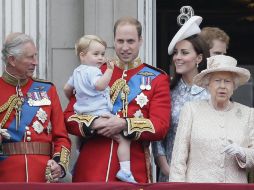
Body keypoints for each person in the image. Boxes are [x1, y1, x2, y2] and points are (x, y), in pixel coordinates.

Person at [64, 16, 170, 183]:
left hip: (131, 170)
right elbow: (69, 117)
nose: (125, 47)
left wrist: (124, 124)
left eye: (131, 41)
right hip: (92, 167)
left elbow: (160, 125)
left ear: (141, 41)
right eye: (120, 41)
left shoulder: (157, 78)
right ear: (114, 40)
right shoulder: (95, 70)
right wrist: (95, 123)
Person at [169, 54, 254, 183]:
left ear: (234, 86)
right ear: (208, 84)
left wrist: (242, 153)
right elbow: (178, 160)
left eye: (227, 81)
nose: (222, 86)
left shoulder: (248, 114)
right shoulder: (191, 110)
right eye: (217, 80)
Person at [63, 35, 136, 183]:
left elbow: (66, 88)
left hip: (83, 113)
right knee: (123, 139)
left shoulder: (77, 71)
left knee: (82, 139)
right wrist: (109, 71)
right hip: (99, 112)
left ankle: (78, 155)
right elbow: (100, 85)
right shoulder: (94, 71)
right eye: (96, 54)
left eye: (102, 54)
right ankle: (126, 171)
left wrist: (77, 97)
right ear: (82, 55)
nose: (100, 58)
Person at [0, 32, 71, 182]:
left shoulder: (47, 89)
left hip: (43, 176)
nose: (35, 62)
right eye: (30, 57)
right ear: (12, 60)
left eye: (35, 56)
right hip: (6, 176)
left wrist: (59, 164)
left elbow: (61, 137)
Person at [152, 12, 210, 182]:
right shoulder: (167, 92)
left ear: (199, 58)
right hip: (170, 175)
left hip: (204, 176)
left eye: (184, 53)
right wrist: (165, 168)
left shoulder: (211, 93)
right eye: (176, 53)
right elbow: (158, 136)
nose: (178, 57)